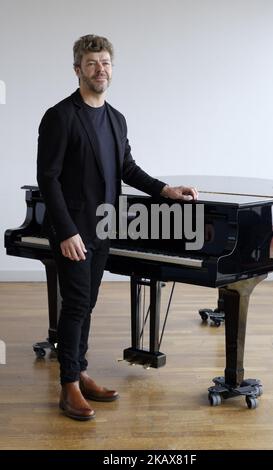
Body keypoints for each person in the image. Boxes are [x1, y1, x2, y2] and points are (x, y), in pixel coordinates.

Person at [37, 34, 198, 421]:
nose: (100, 69)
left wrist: (164, 189)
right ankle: (68, 386)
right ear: (78, 69)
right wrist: (68, 231)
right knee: (75, 305)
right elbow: (48, 178)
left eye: (106, 62)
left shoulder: (115, 118)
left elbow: (126, 168)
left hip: (103, 228)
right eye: (92, 63)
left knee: (87, 302)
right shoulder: (59, 116)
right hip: (73, 231)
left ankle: (81, 370)